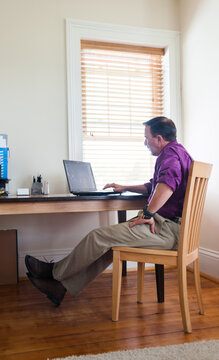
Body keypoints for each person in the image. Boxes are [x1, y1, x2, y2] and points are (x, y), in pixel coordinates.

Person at [25, 116, 193, 306]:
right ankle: (60, 286)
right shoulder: (180, 153)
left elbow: (166, 186)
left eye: (147, 138)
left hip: (167, 231)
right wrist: (125, 187)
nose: (145, 143)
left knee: (98, 236)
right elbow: (154, 186)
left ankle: (54, 273)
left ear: (160, 139)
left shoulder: (169, 156)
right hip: (173, 228)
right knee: (108, 243)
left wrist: (147, 214)